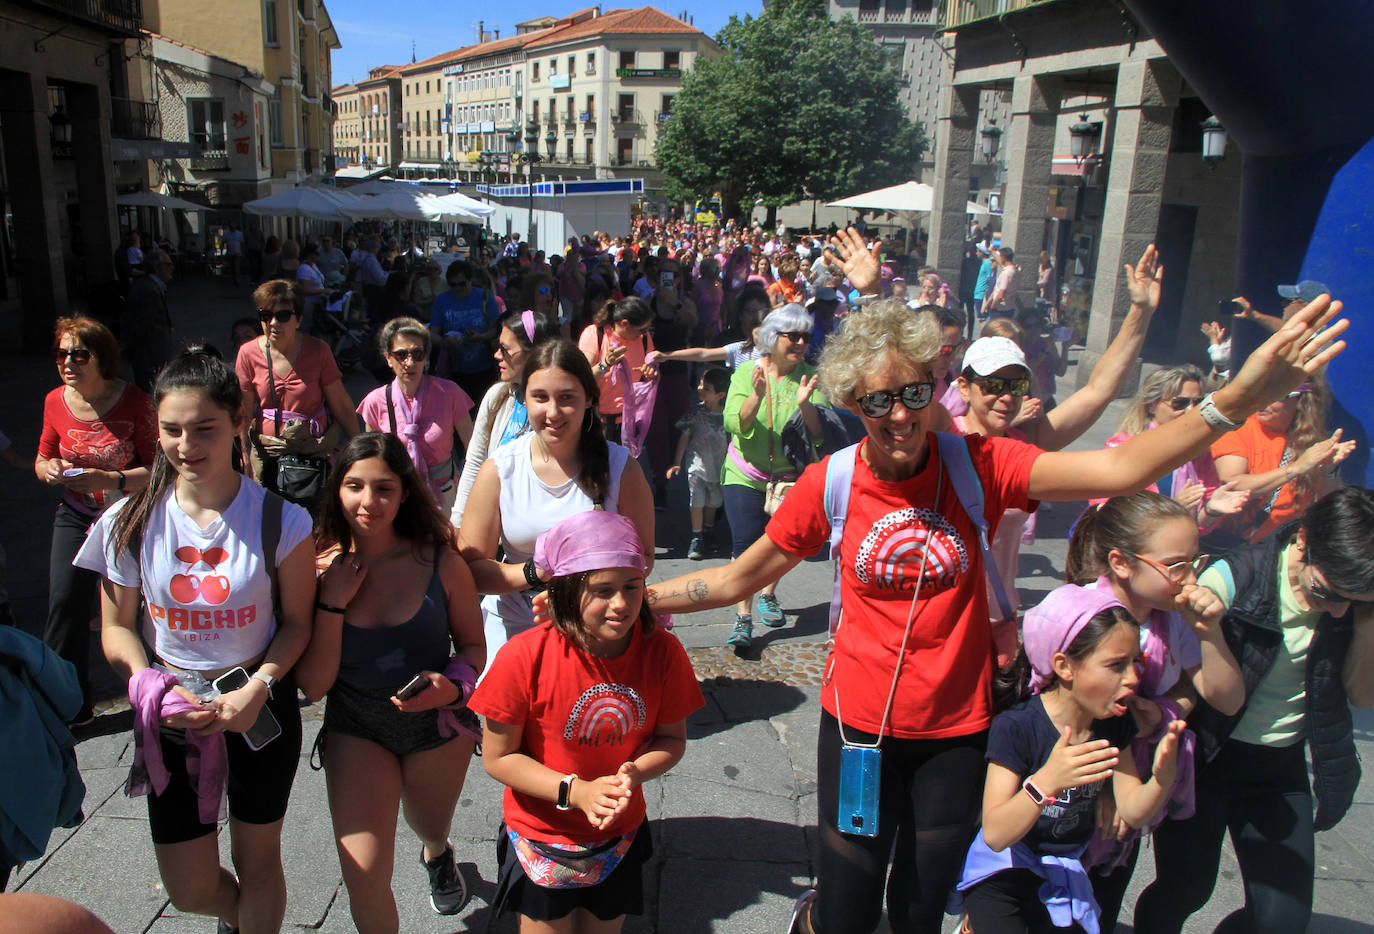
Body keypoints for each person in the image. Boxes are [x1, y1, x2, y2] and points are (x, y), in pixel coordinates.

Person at [640, 226, 1347, 934]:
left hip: (956, 730)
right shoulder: (833, 481)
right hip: (857, 726)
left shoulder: (977, 464)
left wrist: (1241, 395)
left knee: (920, 912)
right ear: (854, 403)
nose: (900, 416)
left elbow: (1120, 469)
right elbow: (738, 579)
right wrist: (632, 600)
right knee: (849, 912)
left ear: (933, 388)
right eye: (878, 401)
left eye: (915, 393)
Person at [73, 348, 315, 934]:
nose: (186, 446)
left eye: (204, 429)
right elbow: (115, 627)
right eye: (172, 431)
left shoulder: (281, 519)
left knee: (258, 862)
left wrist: (260, 686)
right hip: (172, 707)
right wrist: (145, 680)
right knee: (188, 888)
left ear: (238, 422)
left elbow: (298, 624)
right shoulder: (128, 521)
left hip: (258, 703)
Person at [1134, 487, 1374, 934]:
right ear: (1302, 539)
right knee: (1185, 890)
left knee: (1284, 919)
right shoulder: (1234, 579)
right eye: (1325, 592)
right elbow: (1179, 674)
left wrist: (1366, 624)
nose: (1338, 609)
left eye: (1353, 599)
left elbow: (1362, 696)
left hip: (1279, 768)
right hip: (1207, 760)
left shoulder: (1357, 599)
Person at [469, 510, 703, 934]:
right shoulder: (524, 657)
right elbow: (498, 757)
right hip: (541, 835)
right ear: (564, 591)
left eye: (632, 587)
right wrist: (575, 792)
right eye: (603, 590)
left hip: (619, 835)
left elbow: (671, 740)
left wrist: (636, 769)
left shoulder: (663, 652)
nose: (621, 604)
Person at [295, 433, 486, 931]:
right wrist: (331, 602)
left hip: (436, 726)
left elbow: (472, 647)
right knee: (364, 877)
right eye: (354, 486)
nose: (368, 501)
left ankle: (437, 853)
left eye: (384, 488)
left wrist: (454, 687)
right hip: (356, 728)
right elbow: (313, 687)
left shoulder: (440, 562)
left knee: (430, 824)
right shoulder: (316, 568)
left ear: (404, 492)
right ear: (337, 490)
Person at [954, 584, 1184, 934]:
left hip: (1065, 873)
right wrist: (1046, 781)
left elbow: (1133, 810)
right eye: (1116, 665)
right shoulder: (1017, 727)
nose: (1133, 678)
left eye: (1136, 662)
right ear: (1064, 666)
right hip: (1002, 876)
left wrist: (1161, 780)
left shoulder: (1113, 725)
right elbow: (997, 834)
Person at [1063, 492, 1245, 929]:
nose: (1189, 577)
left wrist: (1209, 634)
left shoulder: (1172, 620)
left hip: (1134, 793)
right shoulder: (1080, 614)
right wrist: (1106, 792)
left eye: (1195, 562)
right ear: (1122, 563)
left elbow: (1225, 697)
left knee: (1101, 904)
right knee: (1048, 900)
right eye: (1175, 565)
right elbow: (1059, 712)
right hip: (1075, 783)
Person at [457, 340, 654, 664]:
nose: (552, 412)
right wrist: (536, 573)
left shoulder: (621, 468)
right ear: (524, 399)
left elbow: (644, 556)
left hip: (595, 630)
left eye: (566, 398)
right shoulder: (500, 470)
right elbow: (473, 569)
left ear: (589, 398)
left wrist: (587, 590)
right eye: (540, 398)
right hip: (515, 628)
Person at [36, 317, 156, 724]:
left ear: (101, 357)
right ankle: (65, 704)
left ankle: (160, 695)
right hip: (76, 513)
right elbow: (42, 457)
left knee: (140, 609)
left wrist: (113, 479)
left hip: (128, 516)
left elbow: (161, 470)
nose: (68, 362)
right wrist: (49, 468)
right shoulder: (55, 400)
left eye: (79, 354)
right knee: (64, 603)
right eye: (61, 354)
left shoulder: (135, 402)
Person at [721, 304, 827, 648]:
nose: (799, 342)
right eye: (791, 336)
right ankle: (743, 617)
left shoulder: (812, 376)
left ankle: (768, 593)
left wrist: (807, 405)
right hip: (745, 473)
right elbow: (734, 422)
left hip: (789, 479)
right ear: (772, 337)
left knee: (783, 544)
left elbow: (820, 436)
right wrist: (757, 394)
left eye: (805, 337)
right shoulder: (747, 372)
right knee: (745, 544)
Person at [236, 279, 361, 511]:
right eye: (266, 315)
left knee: (313, 519)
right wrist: (242, 453)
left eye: (283, 316)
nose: (273, 323)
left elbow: (341, 406)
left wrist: (359, 452)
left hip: (312, 452)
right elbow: (242, 411)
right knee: (267, 521)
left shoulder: (319, 351)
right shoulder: (247, 353)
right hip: (268, 453)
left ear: (299, 319)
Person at [1097, 365, 1249, 529]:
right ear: (1152, 405)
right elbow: (1109, 516)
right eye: (1180, 403)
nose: (1191, 410)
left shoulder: (1199, 452)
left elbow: (1197, 525)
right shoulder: (1124, 447)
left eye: (1198, 402)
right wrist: (1173, 510)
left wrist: (1211, 509)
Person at [1210, 377, 1355, 544]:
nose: (1263, 401)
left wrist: (1330, 470)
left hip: (1283, 548)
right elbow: (1233, 484)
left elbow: (1326, 507)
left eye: (1277, 396)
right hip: (1234, 547)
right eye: (1260, 392)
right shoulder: (1238, 428)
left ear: (1300, 401)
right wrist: (1297, 468)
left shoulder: (1309, 441)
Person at [357, 318, 474, 515]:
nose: (409, 362)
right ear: (388, 357)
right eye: (401, 355)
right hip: (400, 497)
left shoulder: (449, 393)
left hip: (446, 497)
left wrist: (470, 494)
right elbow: (374, 459)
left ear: (426, 357)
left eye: (417, 354)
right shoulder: (375, 402)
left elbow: (473, 447)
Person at [451, 309, 559, 522]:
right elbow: (475, 463)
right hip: (494, 528)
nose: (497, 355)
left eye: (505, 349)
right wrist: (458, 522)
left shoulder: (558, 409)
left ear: (533, 352)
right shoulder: (497, 396)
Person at [666, 367, 729, 561]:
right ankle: (696, 536)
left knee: (714, 502)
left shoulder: (729, 415)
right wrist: (676, 462)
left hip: (719, 468)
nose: (700, 388)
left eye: (706, 387)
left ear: (720, 395)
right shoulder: (695, 413)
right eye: (701, 383)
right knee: (697, 500)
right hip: (697, 466)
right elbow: (684, 438)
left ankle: (708, 530)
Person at [577, 297, 658, 445]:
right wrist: (606, 363)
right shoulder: (595, 334)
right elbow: (581, 380)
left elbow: (651, 371)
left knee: (624, 467)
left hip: (629, 422)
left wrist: (650, 373)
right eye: (642, 329)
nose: (644, 333)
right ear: (624, 324)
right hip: (599, 422)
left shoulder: (644, 339)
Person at [428, 260, 502, 404]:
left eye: (462, 284)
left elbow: (497, 330)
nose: (457, 288)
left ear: (470, 281)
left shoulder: (485, 297)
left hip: (484, 368)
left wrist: (480, 337)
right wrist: (445, 342)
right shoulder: (442, 300)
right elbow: (433, 334)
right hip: (453, 370)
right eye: (453, 285)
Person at [123, 250, 177, 392]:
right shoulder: (148, 290)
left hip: (152, 356)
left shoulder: (151, 286)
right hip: (150, 358)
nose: (172, 267)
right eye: (168, 264)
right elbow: (142, 325)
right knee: (152, 395)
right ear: (157, 268)